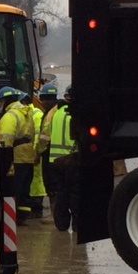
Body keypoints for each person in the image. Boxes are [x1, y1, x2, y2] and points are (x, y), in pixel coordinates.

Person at [37, 85, 78, 231]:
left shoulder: (55, 113)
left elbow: (44, 135)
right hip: (72, 158)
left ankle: (61, 225)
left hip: (55, 160)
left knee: (61, 192)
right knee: (74, 193)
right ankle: (77, 225)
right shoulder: (77, 113)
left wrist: (38, 153)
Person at [0, 86, 35, 226]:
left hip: (16, 157)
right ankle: (22, 217)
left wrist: (3, 159)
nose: (0, 105)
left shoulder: (10, 116)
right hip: (28, 156)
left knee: (12, 190)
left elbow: (5, 140)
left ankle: (9, 220)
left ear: (5, 100)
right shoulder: (27, 113)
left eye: (1, 102)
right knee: (25, 189)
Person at [35, 83, 60, 224]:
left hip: (50, 154)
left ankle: (54, 215)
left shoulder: (49, 114)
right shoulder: (60, 110)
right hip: (63, 154)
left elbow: (44, 137)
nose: (42, 103)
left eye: (42, 100)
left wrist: (37, 153)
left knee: (51, 186)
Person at [19, 92, 46, 219]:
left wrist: (35, 153)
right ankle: (34, 208)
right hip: (32, 152)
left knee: (37, 181)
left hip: (34, 154)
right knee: (34, 180)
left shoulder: (34, 114)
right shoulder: (33, 113)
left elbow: (38, 135)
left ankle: (37, 208)